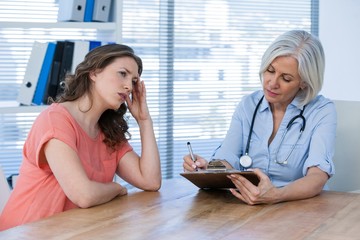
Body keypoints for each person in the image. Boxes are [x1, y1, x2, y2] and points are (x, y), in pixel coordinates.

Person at [0, 43, 161, 230]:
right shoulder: (55, 120)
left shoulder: (108, 131)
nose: (128, 86)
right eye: (122, 74)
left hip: (72, 232)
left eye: (134, 81)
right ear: (94, 73)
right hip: (25, 232)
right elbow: (83, 195)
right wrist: (118, 188)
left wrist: (144, 120)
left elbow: (150, 181)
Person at [183, 30, 336, 205]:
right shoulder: (248, 105)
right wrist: (208, 169)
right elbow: (227, 157)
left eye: (286, 78)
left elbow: (317, 177)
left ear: (304, 82)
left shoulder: (322, 111)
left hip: (300, 206)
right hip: (250, 206)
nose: (272, 83)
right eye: (270, 71)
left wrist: (276, 195)